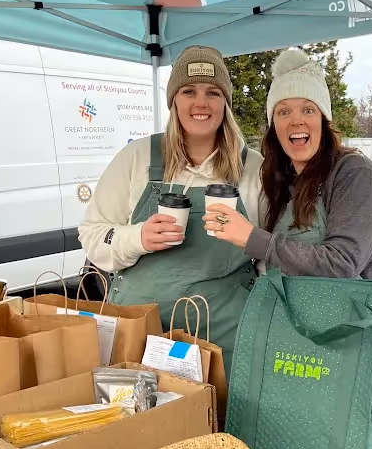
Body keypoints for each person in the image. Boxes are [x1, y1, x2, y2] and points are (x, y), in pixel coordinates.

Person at [203, 47, 372, 403]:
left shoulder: (354, 174)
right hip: (313, 339)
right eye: (284, 112)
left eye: (307, 109)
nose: (296, 121)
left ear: (323, 119)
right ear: (274, 126)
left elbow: (342, 264)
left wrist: (252, 239)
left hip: (368, 341)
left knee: (358, 434)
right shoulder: (283, 180)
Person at [79, 45, 262, 373]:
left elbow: (270, 254)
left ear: (226, 103)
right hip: (142, 333)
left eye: (213, 92)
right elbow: (93, 235)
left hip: (228, 338)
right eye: (189, 91)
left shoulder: (254, 168)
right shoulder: (137, 157)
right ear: (174, 100)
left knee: (220, 407)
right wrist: (138, 238)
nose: (201, 103)